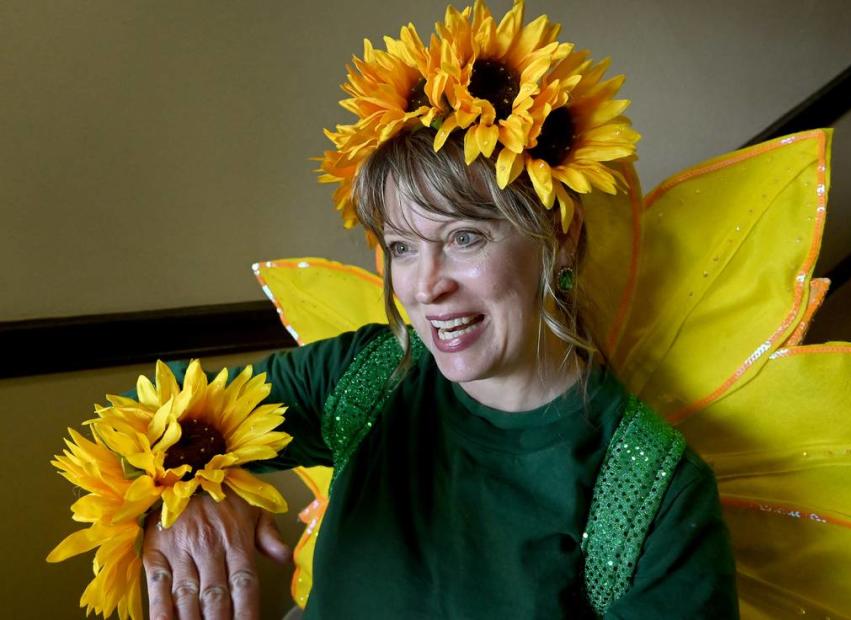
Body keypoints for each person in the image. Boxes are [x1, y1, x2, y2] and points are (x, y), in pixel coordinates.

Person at [140, 117, 738, 617]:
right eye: (402, 246)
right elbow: (140, 418)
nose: (426, 287)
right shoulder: (365, 374)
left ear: (556, 236)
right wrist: (182, 482)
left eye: (464, 238)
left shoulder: (656, 495)